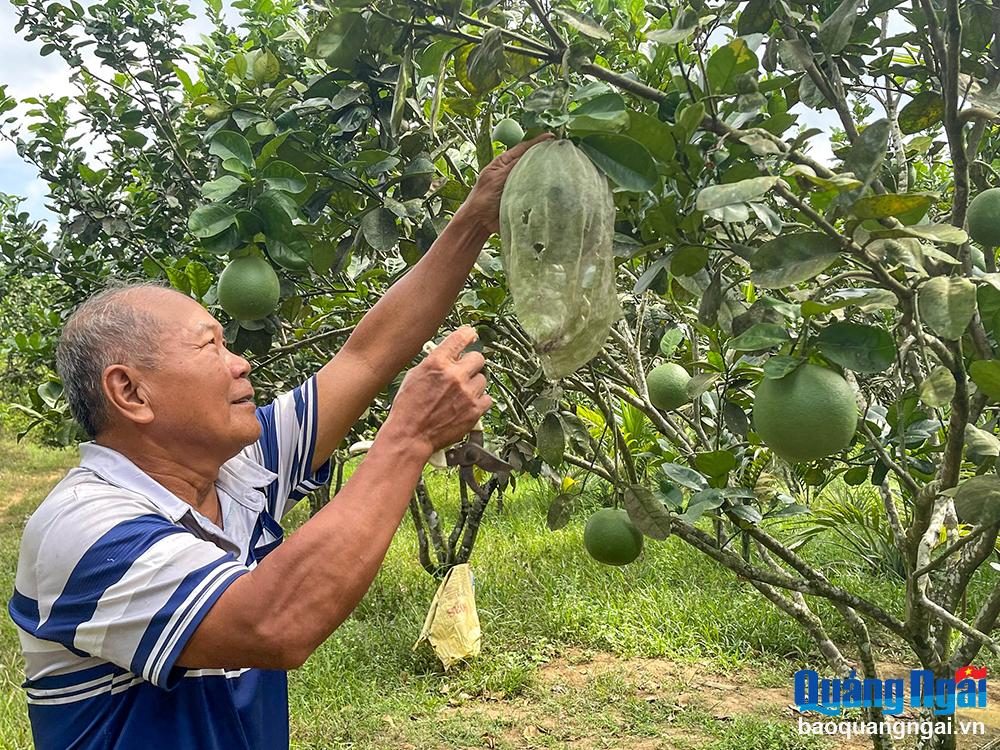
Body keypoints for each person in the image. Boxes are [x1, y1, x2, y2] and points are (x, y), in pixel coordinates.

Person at [8, 133, 552, 750]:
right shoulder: (84, 531)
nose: (241, 364)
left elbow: (367, 356)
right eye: (211, 346)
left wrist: (476, 217)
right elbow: (272, 623)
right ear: (131, 393)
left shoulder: (237, 470)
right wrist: (407, 437)